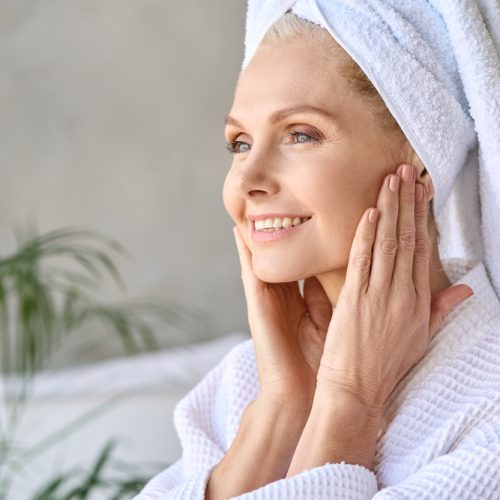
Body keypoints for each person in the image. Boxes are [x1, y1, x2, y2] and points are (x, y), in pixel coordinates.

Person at [134, 1, 500, 499]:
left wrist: (349, 404)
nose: (248, 179)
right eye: (239, 142)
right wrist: (283, 406)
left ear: (420, 157)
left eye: (300, 135)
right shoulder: (244, 382)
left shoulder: (490, 415)